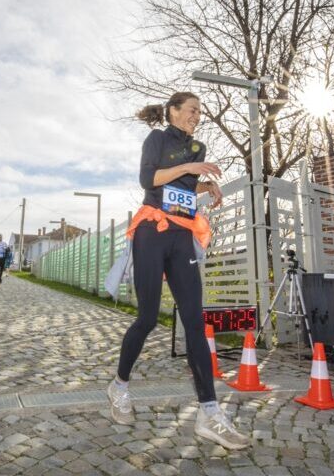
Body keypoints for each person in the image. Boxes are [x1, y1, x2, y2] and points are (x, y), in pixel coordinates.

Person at [106, 92, 248, 450]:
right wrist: (189, 169)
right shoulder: (157, 139)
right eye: (191, 110)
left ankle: (209, 413)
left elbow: (183, 187)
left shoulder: (197, 148)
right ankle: (119, 386)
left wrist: (206, 186)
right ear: (172, 111)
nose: (197, 116)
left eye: (200, 112)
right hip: (152, 231)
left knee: (195, 322)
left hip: (183, 234)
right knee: (148, 317)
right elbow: (149, 180)